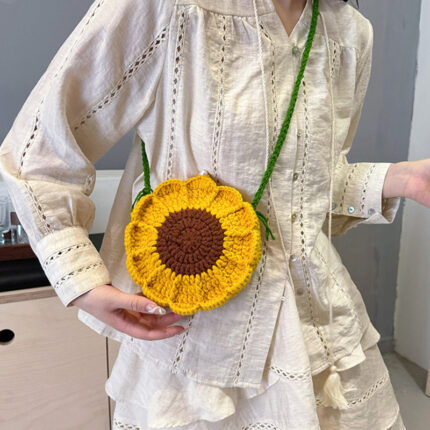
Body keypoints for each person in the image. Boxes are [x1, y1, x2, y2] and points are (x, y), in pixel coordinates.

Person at [0, 0, 429, 428]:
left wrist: (402, 178)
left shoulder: (350, 33)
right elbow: (37, 153)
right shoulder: (168, 9)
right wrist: (78, 276)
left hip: (321, 330)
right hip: (196, 345)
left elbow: (305, 191)